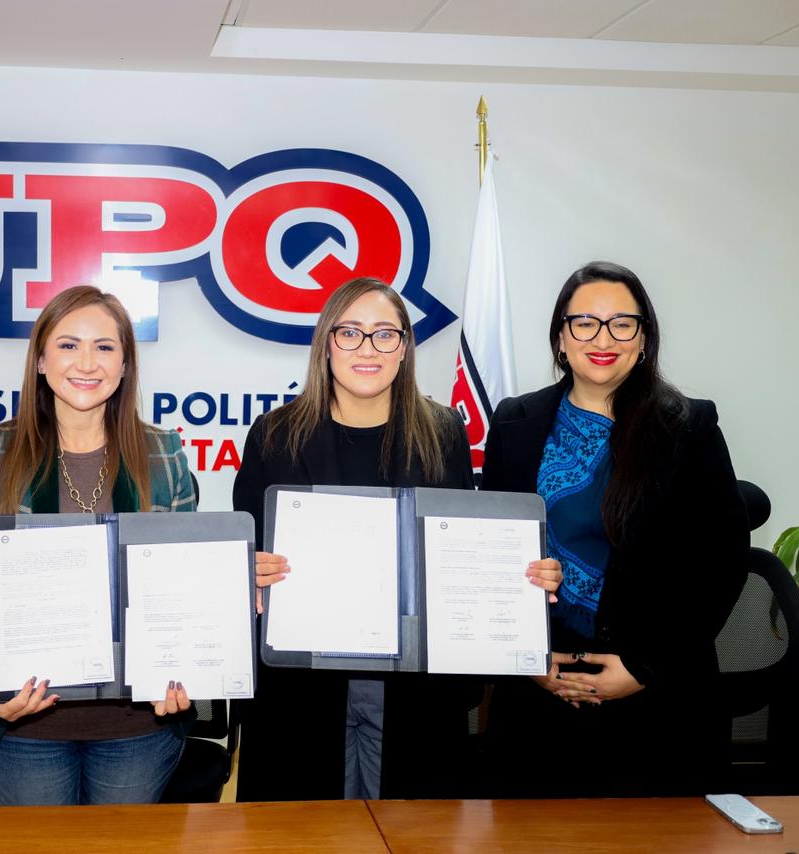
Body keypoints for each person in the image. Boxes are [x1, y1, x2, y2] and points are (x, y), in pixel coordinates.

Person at [231, 277, 562, 801]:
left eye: (385, 334)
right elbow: (245, 556)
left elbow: (461, 548)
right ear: (326, 343)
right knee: (305, 832)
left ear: (405, 347)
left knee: (411, 831)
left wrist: (518, 577)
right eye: (350, 333)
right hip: (304, 690)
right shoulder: (274, 434)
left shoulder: (443, 432)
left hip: (413, 691)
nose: (368, 348)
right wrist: (249, 571)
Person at [481, 261, 749, 797]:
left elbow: (722, 563)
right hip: (540, 694)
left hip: (659, 699)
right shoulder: (514, 423)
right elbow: (491, 553)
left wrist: (644, 669)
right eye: (584, 323)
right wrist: (526, 660)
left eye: (622, 324)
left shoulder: (687, 425)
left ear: (643, 338)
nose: (603, 339)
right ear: (561, 337)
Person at [0, 285, 198, 806]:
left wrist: (183, 672)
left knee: (123, 847)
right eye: (67, 345)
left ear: (125, 364)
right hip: (24, 721)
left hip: (136, 724)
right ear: (40, 360)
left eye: (104, 347)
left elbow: (183, 586)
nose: (86, 362)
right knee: (39, 846)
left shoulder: (163, 452)